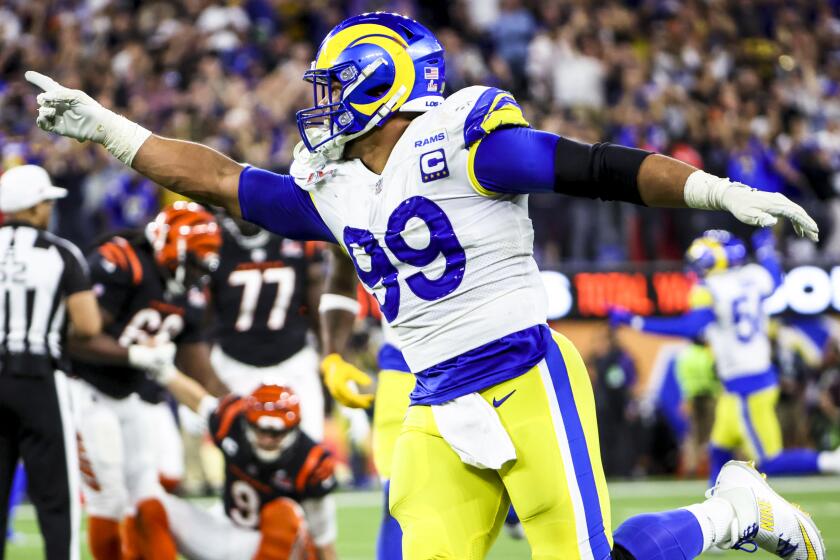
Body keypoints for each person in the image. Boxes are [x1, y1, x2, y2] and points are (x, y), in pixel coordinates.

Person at [25, 11, 826, 559]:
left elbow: (596, 169)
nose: (322, 105)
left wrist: (714, 191)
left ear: (384, 83)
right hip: (435, 403)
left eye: (336, 86)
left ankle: (735, 511)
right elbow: (223, 181)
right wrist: (111, 130)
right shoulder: (334, 187)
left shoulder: (465, 141)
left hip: (523, 376)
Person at [612, 229, 840, 485]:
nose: (697, 271)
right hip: (741, 386)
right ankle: (715, 509)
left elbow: (689, 328)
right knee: (719, 449)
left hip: (747, 388)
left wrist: (636, 321)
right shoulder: (751, 277)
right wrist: (767, 251)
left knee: (769, 462)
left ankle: (832, 461)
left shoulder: (713, 289)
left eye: (703, 263)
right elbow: (775, 280)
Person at [68, 201, 227, 560]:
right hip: (85, 388)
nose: (198, 275)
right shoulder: (122, 263)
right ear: (171, 248)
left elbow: (200, 370)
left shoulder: (190, 293)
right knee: (108, 499)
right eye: (194, 264)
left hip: (133, 395)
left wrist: (237, 407)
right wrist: (135, 355)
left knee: (148, 492)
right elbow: (76, 336)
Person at [0, 164, 102, 560]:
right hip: (40, 379)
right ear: (35, 207)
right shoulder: (60, 253)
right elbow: (89, 325)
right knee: (56, 498)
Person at [144, 364, 337, 560]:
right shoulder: (232, 419)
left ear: (293, 429)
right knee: (151, 505)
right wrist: (165, 371)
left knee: (286, 514)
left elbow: (323, 538)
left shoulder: (310, 460)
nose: (267, 440)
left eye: (275, 433)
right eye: (260, 430)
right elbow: (199, 401)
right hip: (227, 527)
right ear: (247, 422)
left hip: (272, 545)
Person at [209, 212, 327, 441]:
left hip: (294, 362)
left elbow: (318, 307)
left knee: (310, 446)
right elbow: (198, 324)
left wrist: (330, 356)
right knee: (241, 451)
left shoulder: (296, 233)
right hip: (234, 365)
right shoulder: (214, 241)